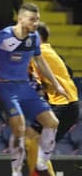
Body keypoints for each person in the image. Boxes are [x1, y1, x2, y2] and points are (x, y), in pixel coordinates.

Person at [0, 3, 68, 176]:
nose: (35, 24)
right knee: (20, 128)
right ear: (20, 19)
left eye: (37, 20)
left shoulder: (34, 37)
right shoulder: (3, 37)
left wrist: (56, 84)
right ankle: (16, 172)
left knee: (52, 123)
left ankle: (41, 164)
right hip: (4, 88)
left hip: (24, 87)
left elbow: (39, 61)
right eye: (32, 20)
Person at [25, 22, 80, 176]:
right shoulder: (39, 54)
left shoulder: (41, 51)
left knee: (32, 140)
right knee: (31, 140)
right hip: (61, 106)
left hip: (66, 105)